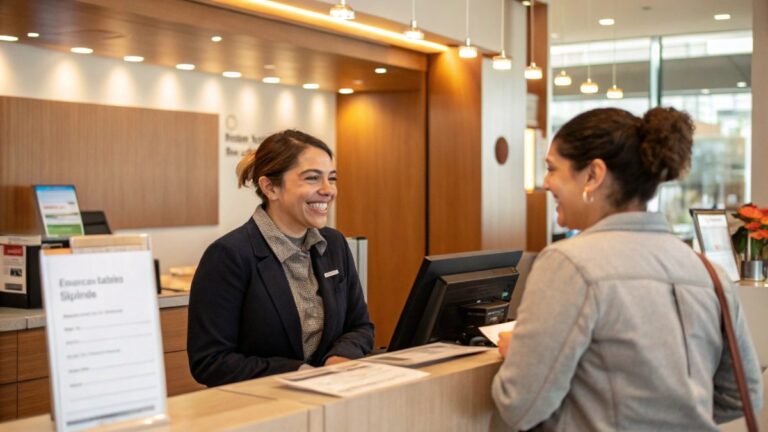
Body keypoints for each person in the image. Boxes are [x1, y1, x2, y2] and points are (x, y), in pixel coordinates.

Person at [492, 107, 763, 430]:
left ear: (593, 174)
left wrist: (520, 354)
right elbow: (740, 394)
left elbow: (519, 406)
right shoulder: (706, 270)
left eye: (552, 169)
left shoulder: (569, 264)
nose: (546, 184)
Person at [187, 129, 374, 387]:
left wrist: (340, 357)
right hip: (261, 410)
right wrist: (298, 372)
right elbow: (210, 362)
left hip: (329, 400)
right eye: (312, 179)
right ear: (270, 187)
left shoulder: (334, 244)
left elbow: (360, 326)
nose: (328, 190)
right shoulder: (229, 255)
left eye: (332, 179)